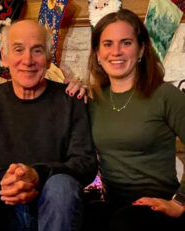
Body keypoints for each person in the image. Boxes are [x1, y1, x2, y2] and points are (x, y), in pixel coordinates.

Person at [0, 19, 97, 231]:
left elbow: (86, 165)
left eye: (37, 50)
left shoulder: (71, 100)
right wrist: (4, 178)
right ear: (4, 57)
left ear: (49, 58)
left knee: (62, 185)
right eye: (18, 50)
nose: (28, 60)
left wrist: (37, 175)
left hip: (52, 208)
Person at [77, 9, 185, 231]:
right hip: (112, 202)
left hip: (155, 205)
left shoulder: (165, 95)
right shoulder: (92, 99)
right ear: (97, 53)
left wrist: (179, 202)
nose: (116, 51)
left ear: (141, 50)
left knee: (125, 223)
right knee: (82, 218)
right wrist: (68, 92)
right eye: (107, 44)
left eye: (126, 43)